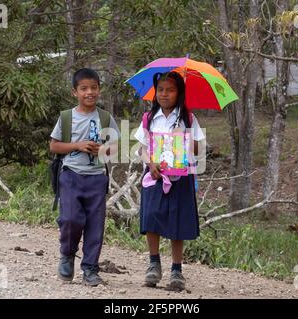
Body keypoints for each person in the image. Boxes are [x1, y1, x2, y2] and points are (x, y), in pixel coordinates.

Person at [133, 71, 205, 290]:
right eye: (161, 90)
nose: (164, 94)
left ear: (179, 93)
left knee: (177, 220)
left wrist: (184, 138)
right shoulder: (149, 118)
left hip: (180, 178)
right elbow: (141, 148)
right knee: (152, 216)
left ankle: (176, 270)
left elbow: (199, 148)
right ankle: (154, 263)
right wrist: (150, 163)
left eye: (170, 90)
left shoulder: (188, 118)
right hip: (155, 176)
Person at [50, 68, 119, 286]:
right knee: (70, 219)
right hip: (71, 176)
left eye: (94, 88)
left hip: (97, 178)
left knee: (95, 225)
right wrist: (78, 146)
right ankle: (67, 255)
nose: (89, 92)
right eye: (84, 88)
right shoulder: (66, 117)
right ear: (75, 92)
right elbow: (54, 145)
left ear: (99, 89)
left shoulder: (106, 118)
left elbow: (116, 149)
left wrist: (101, 150)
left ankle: (90, 268)